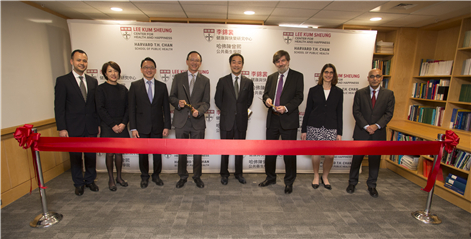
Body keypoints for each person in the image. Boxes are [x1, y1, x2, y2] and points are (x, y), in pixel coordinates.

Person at [54, 49, 100, 196]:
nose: (82, 63)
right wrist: (62, 128)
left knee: (91, 155)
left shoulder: (93, 81)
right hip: (72, 126)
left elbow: (95, 105)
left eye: (84, 60)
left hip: (91, 125)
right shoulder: (63, 81)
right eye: (79, 60)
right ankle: (78, 183)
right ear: (72, 61)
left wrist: (97, 123)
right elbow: (59, 106)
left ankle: (90, 180)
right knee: (75, 156)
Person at [259, 50, 304, 194]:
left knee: (289, 154)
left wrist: (286, 108)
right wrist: (266, 100)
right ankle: (270, 177)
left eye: (283, 61)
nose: (280, 64)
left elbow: (299, 97)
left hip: (288, 121)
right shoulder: (272, 77)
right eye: (278, 62)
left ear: (288, 61)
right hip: (272, 119)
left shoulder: (297, 76)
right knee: (270, 152)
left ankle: (289, 181)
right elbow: (265, 93)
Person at [346, 68, 395, 198]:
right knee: (357, 159)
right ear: (368, 78)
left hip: (378, 133)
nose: (375, 78)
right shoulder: (360, 93)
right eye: (372, 76)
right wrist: (367, 126)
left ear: (381, 78)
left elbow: (389, 114)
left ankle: (372, 185)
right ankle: (352, 183)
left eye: (377, 76)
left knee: (375, 160)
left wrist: (376, 126)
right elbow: (356, 112)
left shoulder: (388, 94)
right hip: (362, 131)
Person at [169, 51, 210, 189]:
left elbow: (206, 102)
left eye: (197, 60)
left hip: (197, 121)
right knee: (182, 151)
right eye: (192, 60)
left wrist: (200, 112)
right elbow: (172, 97)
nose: (194, 62)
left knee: (197, 151)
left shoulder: (205, 81)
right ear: (187, 61)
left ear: (200, 63)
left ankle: (197, 176)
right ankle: (182, 176)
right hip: (181, 120)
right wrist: (177, 104)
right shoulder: (178, 78)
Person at [128, 57, 171, 189]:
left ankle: (156, 175)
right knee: (143, 154)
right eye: (146, 67)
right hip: (141, 127)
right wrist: (133, 128)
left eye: (151, 67)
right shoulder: (135, 86)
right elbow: (131, 108)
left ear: (155, 70)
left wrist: (167, 125)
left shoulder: (162, 86)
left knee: (157, 154)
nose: (149, 70)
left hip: (158, 126)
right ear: (141, 69)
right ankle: (144, 176)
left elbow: (166, 108)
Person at [301, 63, 343, 190]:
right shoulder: (313, 90)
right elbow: (308, 110)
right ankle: (316, 176)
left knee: (330, 155)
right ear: (322, 74)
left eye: (331, 72)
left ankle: (325, 176)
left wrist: (339, 132)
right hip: (314, 126)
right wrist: (304, 130)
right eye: (326, 72)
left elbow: (339, 112)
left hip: (331, 126)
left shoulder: (338, 92)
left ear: (334, 75)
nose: (328, 75)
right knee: (316, 154)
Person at [214, 53, 254, 185]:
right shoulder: (222, 81)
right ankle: (224, 174)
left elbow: (248, 101)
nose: (236, 65)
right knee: (225, 150)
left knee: (240, 150)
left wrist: (239, 112)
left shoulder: (248, 82)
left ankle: (239, 173)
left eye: (239, 62)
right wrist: (229, 111)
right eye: (234, 62)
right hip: (227, 121)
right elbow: (218, 100)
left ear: (242, 65)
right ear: (230, 64)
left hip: (241, 121)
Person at [95, 61, 129, 191]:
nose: (113, 74)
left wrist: (123, 124)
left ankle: (119, 177)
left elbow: (128, 108)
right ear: (105, 73)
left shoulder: (123, 89)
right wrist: (113, 125)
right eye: (110, 71)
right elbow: (100, 109)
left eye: (115, 71)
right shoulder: (100, 89)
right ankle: (111, 179)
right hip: (108, 126)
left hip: (121, 125)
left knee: (119, 153)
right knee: (109, 154)